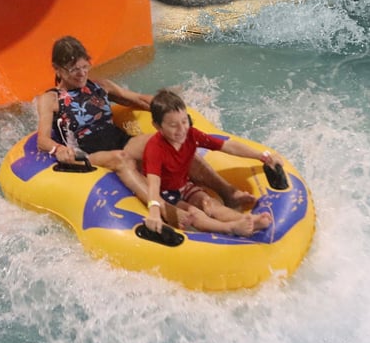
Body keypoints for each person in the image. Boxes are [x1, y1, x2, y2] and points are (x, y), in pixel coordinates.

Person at [35, 36, 256, 213]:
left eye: (85, 66)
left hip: (121, 141)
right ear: (58, 69)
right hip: (87, 153)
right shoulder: (51, 99)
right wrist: (59, 149)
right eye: (74, 70)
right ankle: (161, 208)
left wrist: (171, 108)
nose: (82, 73)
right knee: (121, 158)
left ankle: (229, 193)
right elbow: (43, 138)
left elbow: (139, 99)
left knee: (168, 142)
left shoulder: (100, 86)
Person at [143, 89, 275, 237]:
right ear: (157, 126)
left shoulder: (191, 135)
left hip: (183, 185)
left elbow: (227, 146)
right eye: (173, 125)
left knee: (209, 203)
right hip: (164, 194)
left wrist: (261, 155)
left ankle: (248, 220)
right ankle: (229, 228)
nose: (181, 129)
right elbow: (153, 184)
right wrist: (154, 211)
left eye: (184, 121)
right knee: (193, 213)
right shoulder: (155, 148)